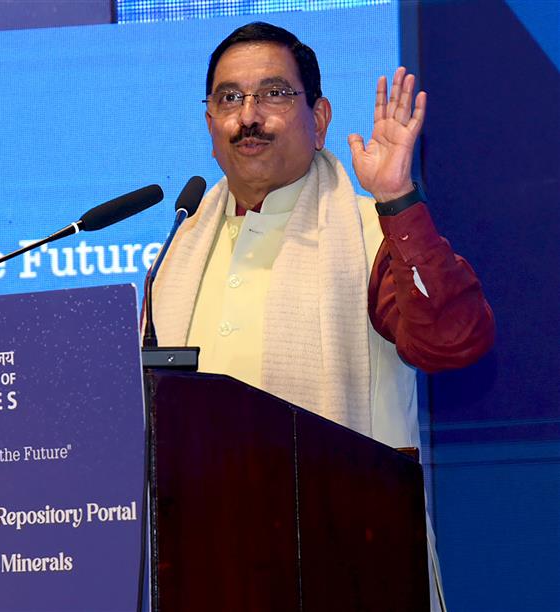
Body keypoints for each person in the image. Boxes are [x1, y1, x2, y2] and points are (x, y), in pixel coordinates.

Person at [149, 22, 494, 612]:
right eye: (229, 98)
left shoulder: (369, 231)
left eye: (274, 93)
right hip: (209, 572)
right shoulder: (176, 257)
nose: (248, 115)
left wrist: (397, 200)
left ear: (321, 117)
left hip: (351, 561)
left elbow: (454, 343)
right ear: (210, 123)